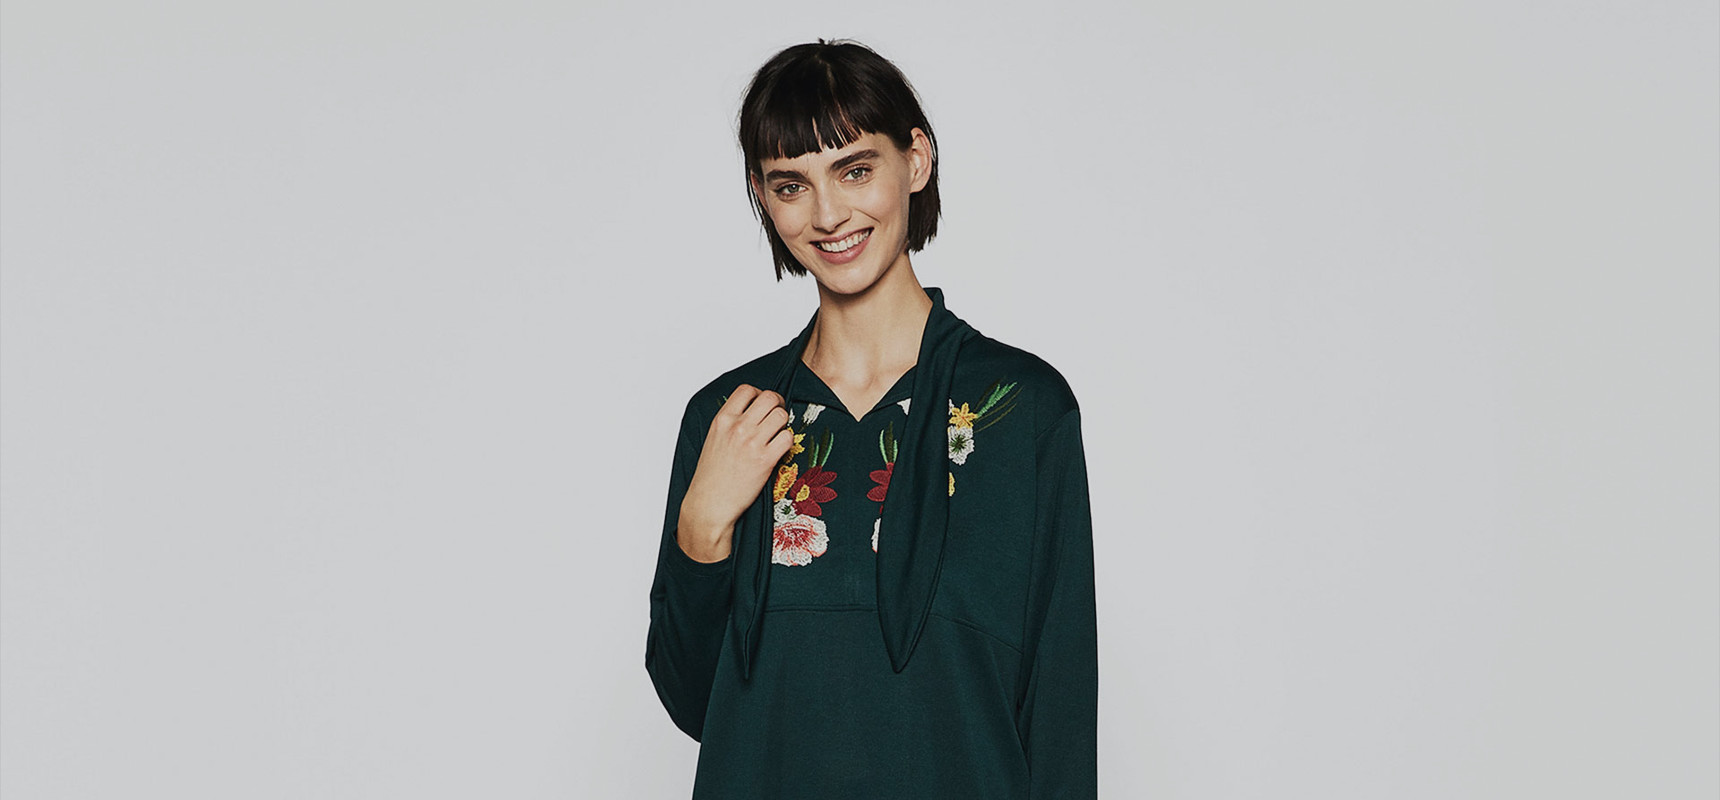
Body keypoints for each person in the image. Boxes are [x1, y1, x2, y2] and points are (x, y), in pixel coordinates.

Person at [644, 39, 1098, 799]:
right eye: (792, 185)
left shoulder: (1019, 411)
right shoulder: (729, 419)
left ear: (915, 160)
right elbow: (695, 704)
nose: (829, 215)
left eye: (855, 170)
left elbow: (1061, 713)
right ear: (762, 196)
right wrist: (703, 528)